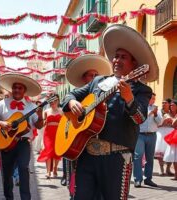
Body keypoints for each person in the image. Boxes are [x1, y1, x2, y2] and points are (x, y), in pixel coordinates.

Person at [61, 24, 158, 199]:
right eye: (116, 56)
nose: (117, 60)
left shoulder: (141, 90)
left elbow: (140, 118)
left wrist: (129, 98)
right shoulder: (98, 81)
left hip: (117, 159)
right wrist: (72, 102)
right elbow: (70, 94)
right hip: (87, 155)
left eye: (123, 57)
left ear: (134, 64)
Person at [61, 54, 112, 200]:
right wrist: (71, 102)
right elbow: (66, 98)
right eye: (92, 75)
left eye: (97, 74)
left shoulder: (103, 92)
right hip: (77, 143)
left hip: (97, 146)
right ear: (84, 79)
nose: (96, 77)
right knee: (78, 187)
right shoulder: (80, 94)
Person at [0, 73, 44, 200]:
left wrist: (40, 115)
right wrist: (2, 123)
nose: (17, 90)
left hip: (23, 143)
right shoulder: (3, 103)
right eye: (15, 87)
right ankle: (8, 197)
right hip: (6, 143)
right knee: (6, 174)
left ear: (25, 91)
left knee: (24, 168)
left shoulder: (32, 107)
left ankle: (26, 197)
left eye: (20, 88)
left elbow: (39, 126)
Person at [133, 93, 162, 187]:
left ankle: (148, 179)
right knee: (138, 157)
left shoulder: (157, 109)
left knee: (150, 158)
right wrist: (149, 113)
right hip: (140, 135)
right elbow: (138, 120)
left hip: (152, 135)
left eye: (154, 98)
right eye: (151, 98)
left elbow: (160, 122)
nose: (153, 100)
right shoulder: (140, 107)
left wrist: (156, 114)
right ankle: (138, 179)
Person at [37, 94, 62, 178]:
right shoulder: (46, 111)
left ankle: (55, 169)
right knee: (48, 151)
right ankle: (48, 171)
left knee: (56, 152)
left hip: (58, 133)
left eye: (55, 100)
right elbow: (43, 123)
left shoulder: (62, 111)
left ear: (58, 101)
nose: (53, 102)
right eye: (51, 101)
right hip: (48, 133)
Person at [155, 98, 173, 175]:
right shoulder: (158, 112)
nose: (163, 104)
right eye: (162, 103)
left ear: (169, 104)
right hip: (161, 132)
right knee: (160, 151)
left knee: (171, 151)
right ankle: (161, 168)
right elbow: (156, 123)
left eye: (165, 103)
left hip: (171, 132)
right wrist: (163, 122)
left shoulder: (173, 112)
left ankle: (168, 169)